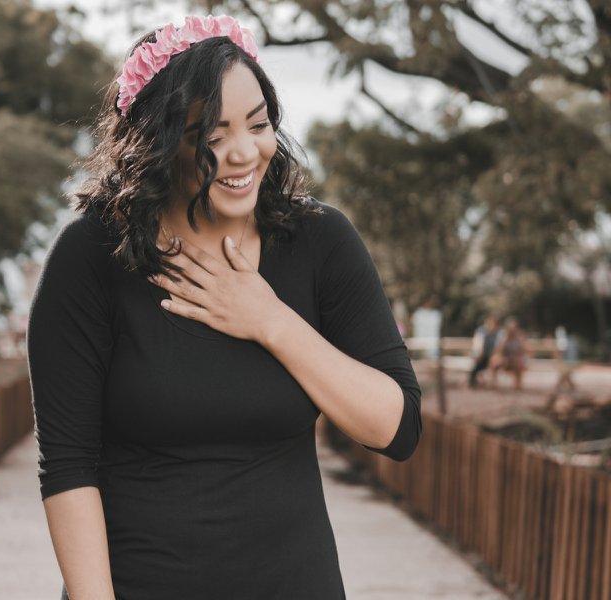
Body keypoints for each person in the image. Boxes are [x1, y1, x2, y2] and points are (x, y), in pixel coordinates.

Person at [27, 15, 422, 600]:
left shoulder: (318, 241)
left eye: (258, 124)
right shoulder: (91, 258)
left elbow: (397, 428)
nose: (243, 153)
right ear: (160, 142)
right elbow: (68, 468)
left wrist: (271, 321)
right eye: (212, 135)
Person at [489, 317, 529, 390]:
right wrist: (504, 341)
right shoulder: (502, 335)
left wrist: (521, 342)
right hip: (504, 358)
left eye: (514, 327)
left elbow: (523, 351)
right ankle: (494, 383)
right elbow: (498, 351)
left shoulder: (519, 336)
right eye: (510, 328)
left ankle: (518, 385)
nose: (512, 330)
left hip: (515, 359)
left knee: (518, 361)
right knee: (494, 360)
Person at [468, 314, 500, 388]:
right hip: (481, 355)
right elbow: (479, 343)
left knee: (493, 362)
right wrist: (480, 353)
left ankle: (489, 382)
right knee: (476, 366)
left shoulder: (496, 333)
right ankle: (473, 382)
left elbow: (497, 347)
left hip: (489, 356)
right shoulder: (481, 331)